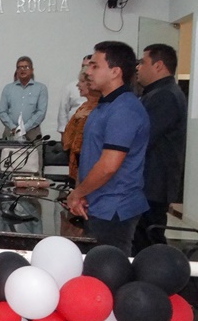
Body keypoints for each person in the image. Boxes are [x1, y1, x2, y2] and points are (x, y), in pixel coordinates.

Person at [66, 41, 149, 257]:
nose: (88, 72)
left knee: (110, 268)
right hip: (96, 202)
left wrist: (78, 193)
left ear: (115, 72)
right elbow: (90, 155)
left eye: (95, 66)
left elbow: (108, 166)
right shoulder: (104, 105)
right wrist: (83, 193)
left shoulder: (125, 109)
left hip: (115, 207)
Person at [133, 43, 187, 252]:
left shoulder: (165, 95)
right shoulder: (155, 93)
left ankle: (157, 273)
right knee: (141, 240)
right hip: (148, 182)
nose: (138, 67)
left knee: (148, 244)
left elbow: (142, 139)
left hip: (152, 184)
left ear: (158, 66)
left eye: (143, 62)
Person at [61, 68, 100, 183]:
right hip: (77, 162)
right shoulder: (83, 106)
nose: (78, 85)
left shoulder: (101, 108)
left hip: (91, 165)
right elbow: (67, 139)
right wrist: (76, 119)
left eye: (82, 81)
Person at [0, 56, 48, 140]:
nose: (22, 70)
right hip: (11, 131)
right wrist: (13, 127)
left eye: (26, 67)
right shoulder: (8, 88)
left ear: (32, 70)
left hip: (32, 131)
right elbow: (2, 112)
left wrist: (24, 128)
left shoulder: (41, 88)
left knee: (35, 149)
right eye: (19, 67)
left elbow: (41, 112)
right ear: (17, 71)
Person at [57, 55, 90, 140]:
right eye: (83, 66)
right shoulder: (71, 87)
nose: (85, 68)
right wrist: (64, 133)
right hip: (73, 131)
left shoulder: (100, 89)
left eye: (87, 66)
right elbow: (63, 111)